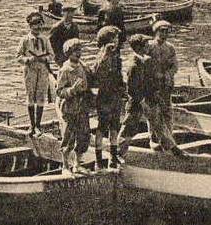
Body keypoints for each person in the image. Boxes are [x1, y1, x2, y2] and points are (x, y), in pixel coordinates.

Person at [117, 34, 184, 159]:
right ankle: (118, 155)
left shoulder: (146, 61)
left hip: (149, 100)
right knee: (128, 130)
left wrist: (155, 96)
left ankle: (173, 149)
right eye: (145, 44)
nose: (148, 46)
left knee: (159, 125)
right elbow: (131, 89)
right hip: (137, 104)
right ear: (138, 47)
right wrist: (142, 101)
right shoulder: (133, 65)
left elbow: (150, 82)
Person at [55, 38, 93, 176]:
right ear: (68, 53)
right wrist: (72, 90)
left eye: (80, 50)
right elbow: (59, 91)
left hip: (82, 106)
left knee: (83, 135)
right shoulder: (65, 70)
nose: (78, 53)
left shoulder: (82, 66)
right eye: (75, 51)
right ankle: (65, 166)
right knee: (68, 137)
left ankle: (77, 164)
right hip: (70, 107)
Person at [16, 11, 55, 135]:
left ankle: (38, 126)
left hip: (42, 70)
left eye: (39, 25)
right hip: (30, 70)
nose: (37, 27)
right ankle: (31, 126)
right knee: (30, 96)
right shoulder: (25, 40)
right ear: (30, 26)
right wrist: (27, 60)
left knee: (41, 96)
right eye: (34, 25)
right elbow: (18, 56)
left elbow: (52, 55)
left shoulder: (45, 39)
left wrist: (45, 59)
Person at [92, 26, 125, 170]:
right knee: (102, 127)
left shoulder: (117, 57)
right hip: (104, 95)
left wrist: (123, 89)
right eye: (113, 39)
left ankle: (113, 156)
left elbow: (119, 76)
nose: (116, 42)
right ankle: (98, 160)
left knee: (115, 126)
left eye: (117, 39)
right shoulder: (101, 56)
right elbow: (96, 74)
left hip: (115, 95)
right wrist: (105, 55)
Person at [146, 20, 179, 129]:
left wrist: (167, 75)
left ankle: (169, 137)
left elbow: (175, 66)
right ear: (156, 32)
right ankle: (154, 140)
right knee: (153, 113)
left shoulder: (170, 48)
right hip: (153, 86)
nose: (164, 34)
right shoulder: (149, 47)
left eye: (167, 31)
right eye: (162, 31)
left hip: (166, 85)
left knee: (167, 112)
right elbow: (144, 65)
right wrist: (154, 75)